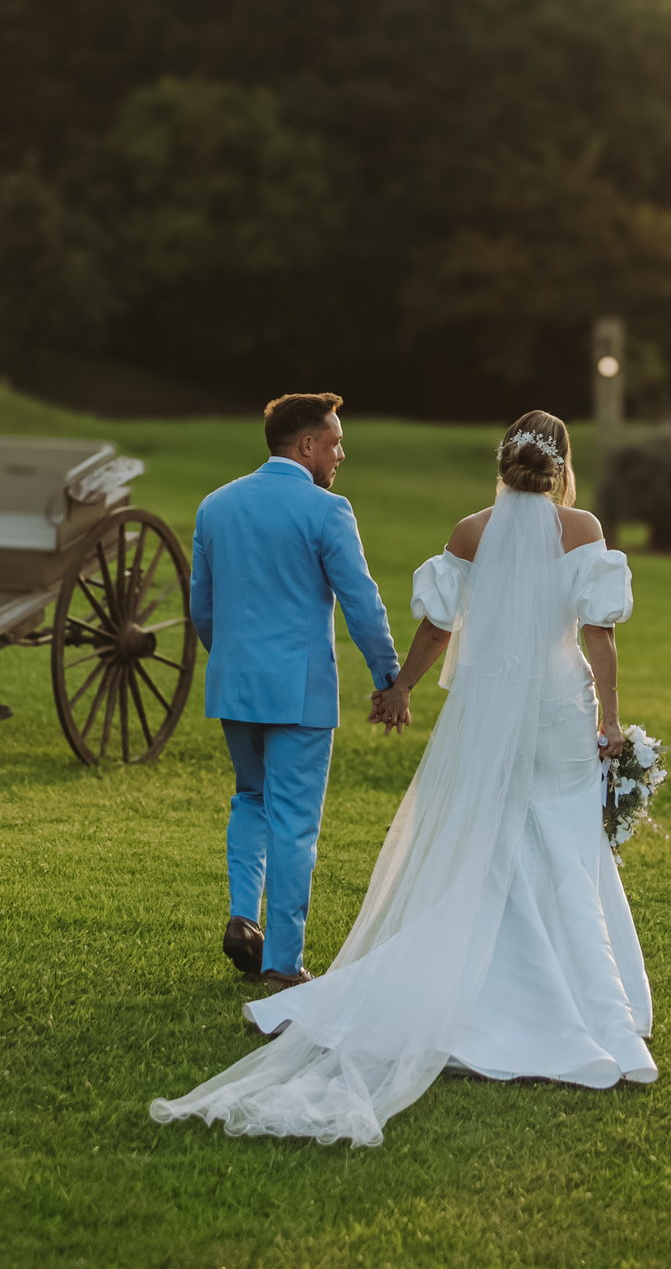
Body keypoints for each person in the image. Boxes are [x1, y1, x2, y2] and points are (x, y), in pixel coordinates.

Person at [152, 409, 657, 1147]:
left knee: (487, 835)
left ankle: (484, 990)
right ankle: (600, 1010)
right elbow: (600, 637)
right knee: (567, 842)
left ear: (504, 459)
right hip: (557, 708)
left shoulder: (469, 532)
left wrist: (401, 688)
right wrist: (610, 721)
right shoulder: (581, 530)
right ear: (560, 463)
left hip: (487, 703)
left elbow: (437, 627)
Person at [190, 391, 400, 990]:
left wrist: (233, 661)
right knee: (295, 823)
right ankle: (283, 964)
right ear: (306, 445)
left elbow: (202, 606)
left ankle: (241, 917)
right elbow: (361, 603)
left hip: (234, 683)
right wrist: (389, 678)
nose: (340, 454)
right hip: (300, 691)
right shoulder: (327, 511)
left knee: (250, 797)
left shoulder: (215, 507)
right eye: (334, 442)